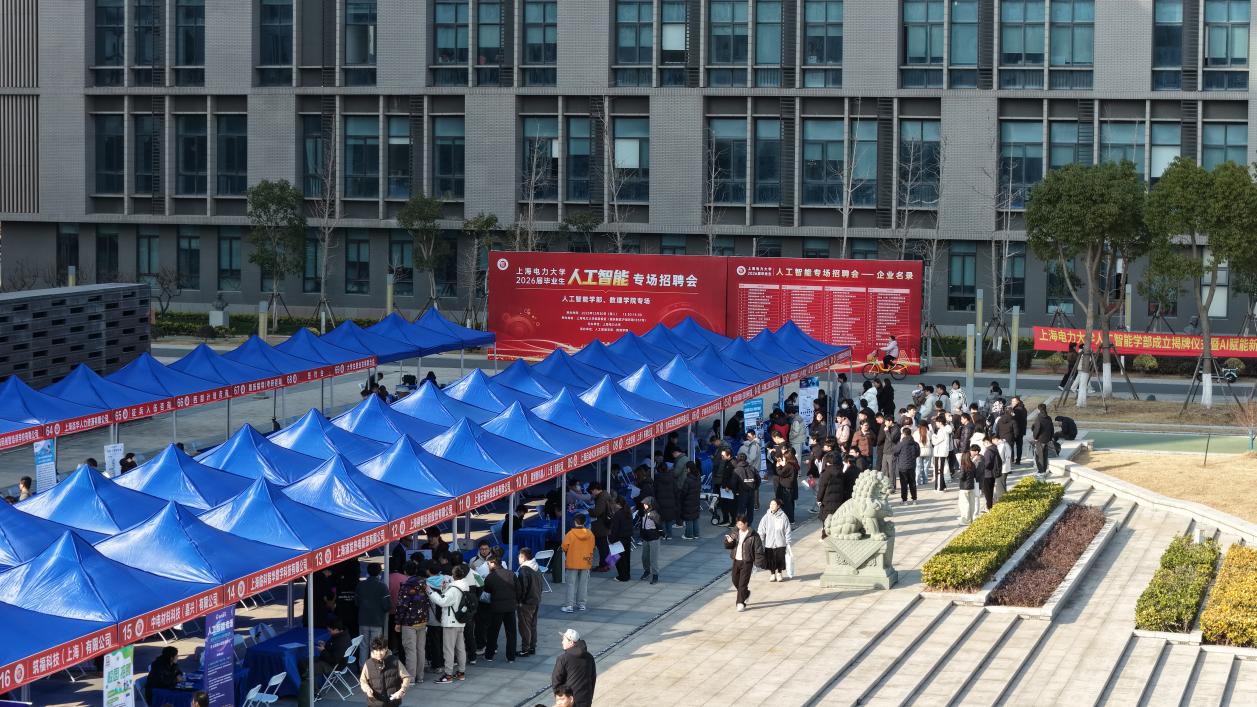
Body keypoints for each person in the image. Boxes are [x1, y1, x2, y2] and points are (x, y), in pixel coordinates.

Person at [427, 565, 473, 684]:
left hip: (451, 622)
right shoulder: (465, 586)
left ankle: (448, 675)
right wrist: (444, 589)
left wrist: (430, 592)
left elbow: (442, 601)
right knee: (460, 648)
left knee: (448, 649)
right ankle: (461, 672)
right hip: (460, 621)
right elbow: (450, 599)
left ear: (453, 575)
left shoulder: (453, 589)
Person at [393, 563, 429, 684]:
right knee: (420, 649)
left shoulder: (406, 586)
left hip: (409, 622)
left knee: (410, 650)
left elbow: (401, 605)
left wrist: (398, 622)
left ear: (405, 572)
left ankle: (411, 677)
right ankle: (420, 676)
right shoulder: (424, 584)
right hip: (422, 620)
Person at [481, 553, 519, 663]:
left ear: (493, 563)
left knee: (493, 632)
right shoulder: (511, 574)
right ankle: (511, 657)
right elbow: (519, 589)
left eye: (488, 564)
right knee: (511, 633)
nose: (488, 566)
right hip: (510, 608)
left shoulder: (490, 577)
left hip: (496, 608)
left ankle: (489, 655)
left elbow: (486, 592)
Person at [724, 514, 765, 611]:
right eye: (737, 524)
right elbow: (729, 546)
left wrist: (758, 563)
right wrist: (729, 542)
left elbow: (758, 549)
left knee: (742, 583)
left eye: (741, 524)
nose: (739, 526)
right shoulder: (735, 532)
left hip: (747, 562)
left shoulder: (753, 535)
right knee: (735, 580)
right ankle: (745, 593)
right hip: (736, 560)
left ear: (746, 523)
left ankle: (740, 602)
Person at [356, 563, 392, 666]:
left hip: (363, 619)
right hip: (377, 620)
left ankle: (362, 667)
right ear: (379, 572)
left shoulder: (360, 585)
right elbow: (387, 605)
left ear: (368, 571)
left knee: (363, 645)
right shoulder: (382, 586)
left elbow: (357, 602)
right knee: (376, 647)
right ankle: (375, 668)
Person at [359, 637, 410, 707]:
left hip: (392, 702)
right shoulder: (368, 664)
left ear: (386, 649)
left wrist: (402, 690)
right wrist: (367, 689)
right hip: (374, 703)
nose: (378, 653)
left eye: (381, 650)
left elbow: (406, 677)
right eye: (376, 650)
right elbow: (363, 680)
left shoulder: (395, 661)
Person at [552, 629, 597, 707]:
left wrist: (560, 699)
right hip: (585, 701)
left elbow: (556, 681)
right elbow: (592, 680)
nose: (562, 642)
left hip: (568, 702)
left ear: (571, 642)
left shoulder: (563, 658)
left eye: (564, 640)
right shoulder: (589, 657)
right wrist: (589, 698)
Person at [560, 513, 594, 613]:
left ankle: (569, 605)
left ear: (575, 522)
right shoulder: (590, 534)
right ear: (584, 522)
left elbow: (564, 547)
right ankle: (581, 604)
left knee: (571, 584)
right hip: (586, 561)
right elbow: (592, 546)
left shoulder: (570, 534)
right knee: (583, 584)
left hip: (572, 561)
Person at [756, 498, 792, 582]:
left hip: (780, 543)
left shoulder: (783, 516)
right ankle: (772, 574)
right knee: (770, 559)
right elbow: (761, 529)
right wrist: (760, 539)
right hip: (769, 543)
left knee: (780, 559)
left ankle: (779, 573)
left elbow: (787, 529)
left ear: (778, 506)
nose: (771, 506)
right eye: (771, 504)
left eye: (774, 504)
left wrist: (788, 541)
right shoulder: (766, 517)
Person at [516, 547, 544, 657]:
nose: (518, 558)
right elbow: (541, 585)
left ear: (523, 557)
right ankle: (532, 647)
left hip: (526, 603)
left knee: (524, 626)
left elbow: (523, 588)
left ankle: (525, 649)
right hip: (536, 600)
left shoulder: (524, 570)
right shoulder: (537, 567)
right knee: (533, 625)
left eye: (519, 556)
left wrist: (520, 601)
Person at [814, 438, 844, 537]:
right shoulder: (841, 471)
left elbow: (822, 487)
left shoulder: (826, 472)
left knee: (826, 520)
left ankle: (825, 536)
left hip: (827, 500)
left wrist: (818, 499)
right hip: (838, 499)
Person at [608, 492, 634, 582]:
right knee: (626, 558)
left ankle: (622, 576)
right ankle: (627, 575)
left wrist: (611, 539)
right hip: (627, 538)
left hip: (618, 539)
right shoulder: (628, 512)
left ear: (618, 504)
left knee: (619, 559)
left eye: (614, 503)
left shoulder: (618, 514)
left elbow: (615, 529)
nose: (613, 505)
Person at [588, 482, 612, 571]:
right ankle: (607, 564)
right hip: (605, 524)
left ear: (595, 489)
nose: (592, 493)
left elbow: (597, 512)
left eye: (591, 491)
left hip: (601, 525)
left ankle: (603, 565)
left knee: (602, 546)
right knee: (604, 545)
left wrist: (589, 510)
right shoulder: (605, 494)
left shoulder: (601, 498)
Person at [893, 425, 920, 504]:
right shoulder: (915, 444)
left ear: (903, 434)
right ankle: (914, 499)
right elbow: (918, 453)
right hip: (912, 465)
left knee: (904, 484)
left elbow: (895, 452)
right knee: (912, 483)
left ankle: (904, 500)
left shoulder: (901, 444)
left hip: (903, 466)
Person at [639, 496, 663, 584]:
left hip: (654, 538)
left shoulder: (654, 514)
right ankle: (647, 571)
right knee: (644, 557)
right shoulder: (644, 513)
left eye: (645, 504)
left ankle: (655, 575)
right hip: (646, 537)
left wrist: (661, 534)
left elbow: (659, 526)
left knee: (653, 558)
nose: (644, 505)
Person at [712, 447, 737, 526]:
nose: (721, 457)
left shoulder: (733, 463)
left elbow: (734, 477)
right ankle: (726, 520)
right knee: (724, 505)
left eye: (723, 455)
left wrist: (729, 486)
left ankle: (733, 522)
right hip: (724, 487)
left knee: (731, 506)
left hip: (729, 489)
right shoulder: (727, 462)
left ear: (728, 455)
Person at [773, 447, 799, 524]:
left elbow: (781, 473)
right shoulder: (794, 463)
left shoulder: (789, 466)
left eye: (784, 457)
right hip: (791, 485)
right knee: (791, 503)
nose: (783, 458)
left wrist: (778, 466)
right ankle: (791, 519)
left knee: (787, 504)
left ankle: (790, 519)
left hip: (786, 486)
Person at [651, 464, 677, 540]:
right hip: (670, 501)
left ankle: (663, 534)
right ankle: (669, 535)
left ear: (659, 470)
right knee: (669, 519)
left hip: (660, 502)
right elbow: (676, 490)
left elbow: (654, 490)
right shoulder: (672, 478)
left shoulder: (657, 478)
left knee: (661, 520)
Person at [732, 452, 758, 524]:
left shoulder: (736, 470)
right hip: (751, 492)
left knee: (741, 511)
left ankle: (741, 525)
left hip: (741, 492)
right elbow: (758, 479)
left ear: (738, 459)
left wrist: (735, 492)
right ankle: (748, 524)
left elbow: (733, 483)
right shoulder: (752, 468)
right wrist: (754, 488)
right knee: (750, 510)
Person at [1031, 404, 1055, 477]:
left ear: (1038, 409)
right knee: (1045, 455)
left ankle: (1041, 471)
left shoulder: (1039, 418)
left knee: (1039, 456)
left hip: (1040, 440)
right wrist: (1050, 438)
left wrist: (1035, 437)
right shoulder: (1049, 418)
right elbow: (1052, 428)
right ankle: (1044, 470)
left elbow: (1037, 429)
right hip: (1047, 439)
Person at [958, 446, 980, 524]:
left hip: (964, 487)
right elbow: (975, 475)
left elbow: (962, 476)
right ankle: (971, 519)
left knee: (964, 504)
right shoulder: (972, 464)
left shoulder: (963, 466)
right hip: (971, 486)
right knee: (971, 504)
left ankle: (966, 520)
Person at [680, 462, 702, 540]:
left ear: (689, 469)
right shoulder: (698, 477)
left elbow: (684, 492)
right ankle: (696, 534)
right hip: (696, 500)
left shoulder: (688, 479)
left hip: (688, 501)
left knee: (688, 518)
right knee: (695, 517)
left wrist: (681, 499)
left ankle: (689, 535)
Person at [980, 437, 1002, 511]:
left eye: (984, 443)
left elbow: (987, 463)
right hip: (992, 473)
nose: (984, 445)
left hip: (987, 474)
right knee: (990, 490)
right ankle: (990, 505)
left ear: (987, 442)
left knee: (987, 492)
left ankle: (989, 506)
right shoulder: (995, 448)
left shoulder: (988, 451)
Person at [930, 418, 952, 491]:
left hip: (939, 452)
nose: (936, 424)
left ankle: (939, 487)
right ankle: (943, 486)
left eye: (937, 422)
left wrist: (933, 436)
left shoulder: (942, 430)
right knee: (940, 470)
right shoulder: (944, 430)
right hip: (941, 452)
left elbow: (936, 442)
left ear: (940, 423)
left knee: (938, 471)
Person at [1010, 396, 1028, 465]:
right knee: (1019, 446)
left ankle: (1012, 459)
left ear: (1018, 401)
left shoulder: (1017, 410)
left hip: (1016, 430)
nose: (1012, 403)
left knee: (1011, 445)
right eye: (1012, 401)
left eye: (1014, 401)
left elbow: (1014, 419)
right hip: (1021, 430)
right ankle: (1018, 460)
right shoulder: (1023, 408)